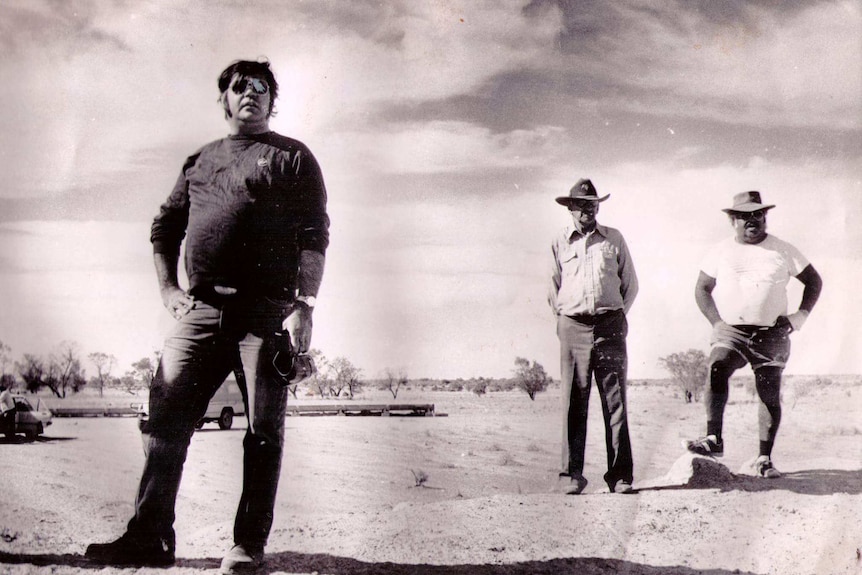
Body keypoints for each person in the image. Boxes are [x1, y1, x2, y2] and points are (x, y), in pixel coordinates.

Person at [85, 59, 330, 574]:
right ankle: (150, 538)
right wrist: (168, 289)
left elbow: (315, 235)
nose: (252, 95)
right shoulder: (200, 161)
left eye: (263, 89)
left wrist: (304, 305)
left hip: (265, 313)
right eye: (241, 88)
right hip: (198, 312)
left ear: (273, 102)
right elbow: (164, 226)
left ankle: (247, 547)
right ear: (224, 100)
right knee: (165, 421)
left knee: (263, 432)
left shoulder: (293, 158)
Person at [685, 191, 822, 479]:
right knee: (717, 364)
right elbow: (701, 288)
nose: (752, 220)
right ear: (732, 219)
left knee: (769, 392)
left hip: (772, 333)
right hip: (732, 331)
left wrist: (800, 317)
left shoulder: (783, 249)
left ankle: (764, 458)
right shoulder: (720, 250)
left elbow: (814, 281)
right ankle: (714, 438)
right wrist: (716, 322)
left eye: (757, 214)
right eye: (745, 215)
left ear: (765, 217)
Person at [548, 178, 639, 495]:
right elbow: (552, 289)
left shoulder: (613, 239)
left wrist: (617, 316)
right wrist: (565, 321)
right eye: (581, 204)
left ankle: (621, 476)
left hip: (609, 326)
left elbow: (630, 284)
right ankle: (571, 476)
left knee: (615, 404)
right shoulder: (560, 242)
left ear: (598, 206)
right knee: (574, 402)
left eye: (593, 204)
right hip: (573, 327)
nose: (587, 209)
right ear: (570, 208)